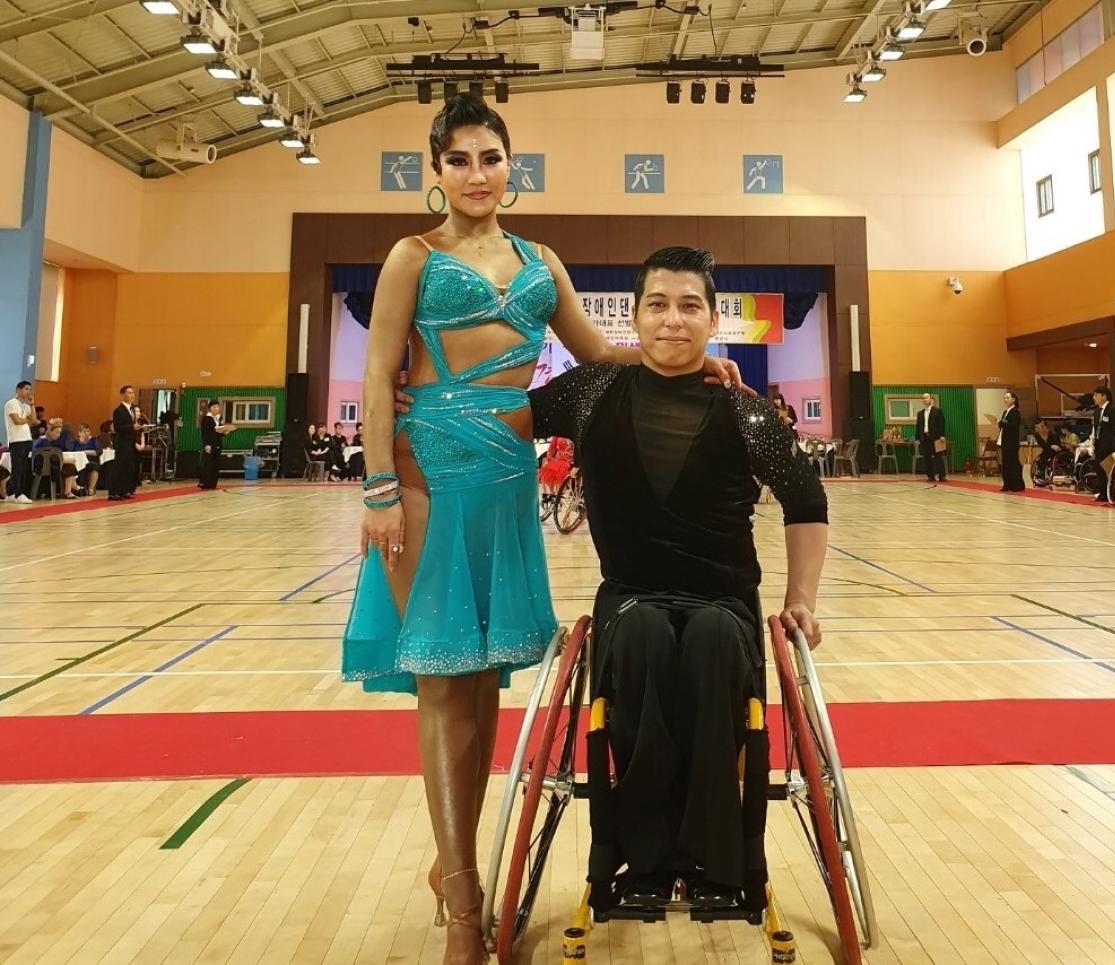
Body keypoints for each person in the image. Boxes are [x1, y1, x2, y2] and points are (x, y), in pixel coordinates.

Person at [343, 94, 741, 965]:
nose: (477, 175)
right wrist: (376, 486)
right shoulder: (412, 256)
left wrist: (684, 353)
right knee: (443, 683)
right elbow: (377, 376)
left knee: (484, 683)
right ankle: (464, 907)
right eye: (459, 160)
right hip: (422, 478)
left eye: (491, 158)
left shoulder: (540, 260)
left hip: (507, 478)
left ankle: (456, 867)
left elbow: (599, 360)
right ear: (435, 170)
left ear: (510, 168)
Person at [523, 246, 828, 907]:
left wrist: (799, 599)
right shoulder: (592, 391)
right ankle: (647, 862)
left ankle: (721, 862)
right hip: (631, 598)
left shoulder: (745, 412)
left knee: (717, 638)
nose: (673, 320)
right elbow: (510, 419)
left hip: (724, 601)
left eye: (690, 306)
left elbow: (807, 500)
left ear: (712, 318)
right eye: (657, 305)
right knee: (641, 640)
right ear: (634, 318)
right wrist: (426, 401)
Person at [4, 380, 37, 504]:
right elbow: (16, 421)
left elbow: (34, 420)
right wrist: (27, 420)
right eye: (26, 389)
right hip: (16, 440)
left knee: (23, 468)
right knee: (17, 468)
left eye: (29, 389)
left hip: (26, 439)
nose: (28, 391)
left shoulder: (26, 405)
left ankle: (11, 493)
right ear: (18, 389)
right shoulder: (11, 404)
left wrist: (32, 405)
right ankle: (18, 493)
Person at [32, 424, 83, 498]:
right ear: (49, 431)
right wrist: (70, 460)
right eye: (56, 432)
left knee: (70, 464)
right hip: (42, 467)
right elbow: (54, 459)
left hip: (45, 465)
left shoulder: (44, 440)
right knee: (70, 465)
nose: (58, 435)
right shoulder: (44, 442)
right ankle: (70, 489)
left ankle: (71, 488)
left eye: (59, 433)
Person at [109, 384, 138, 501]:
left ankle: (124, 490)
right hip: (122, 443)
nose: (131, 395)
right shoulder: (118, 410)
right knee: (119, 467)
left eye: (132, 393)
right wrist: (132, 427)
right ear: (122, 395)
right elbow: (118, 427)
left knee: (128, 467)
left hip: (130, 442)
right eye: (129, 393)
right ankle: (113, 492)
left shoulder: (132, 410)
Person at [199, 400, 235, 490]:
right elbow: (204, 433)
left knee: (216, 464)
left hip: (218, 443)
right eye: (214, 407)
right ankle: (205, 483)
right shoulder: (206, 418)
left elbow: (219, 433)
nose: (216, 408)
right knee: (207, 464)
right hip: (209, 444)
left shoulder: (219, 418)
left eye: (217, 407)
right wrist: (206, 444)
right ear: (210, 408)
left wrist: (226, 431)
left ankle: (213, 484)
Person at [1092, 385, 1115, 501]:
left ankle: (1111, 493)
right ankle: (1102, 493)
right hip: (1098, 444)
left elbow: (1114, 429)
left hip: (1109, 445)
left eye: (1096, 395)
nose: (1094, 397)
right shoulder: (1097, 411)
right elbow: (1096, 428)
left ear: (1104, 396)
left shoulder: (1113, 410)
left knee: (1109, 470)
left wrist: (1113, 446)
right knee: (1099, 469)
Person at [915, 392, 947, 482]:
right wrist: (917, 438)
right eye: (923, 398)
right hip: (924, 438)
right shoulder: (920, 413)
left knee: (938, 457)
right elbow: (918, 426)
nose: (925, 400)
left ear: (931, 399)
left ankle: (942, 476)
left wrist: (942, 435)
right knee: (926, 457)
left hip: (936, 438)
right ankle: (930, 476)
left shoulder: (937, 411)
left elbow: (942, 423)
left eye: (927, 398)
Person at [996, 390, 1024, 492]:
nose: (1006, 400)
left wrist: (1002, 423)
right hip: (1004, 441)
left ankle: (1017, 485)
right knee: (1006, 464)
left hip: (1012, 443)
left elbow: (1013, 426)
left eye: (1008, 398)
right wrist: (999, 423)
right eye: (1005, 398)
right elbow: (1004, 426)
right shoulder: (1005, 412)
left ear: (1013, 399)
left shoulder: (1015, 412)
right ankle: (1007, 484)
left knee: (1013, 464)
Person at [70, 423, 102, 496]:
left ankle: (91, 488)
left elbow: (99, 451)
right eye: (84, 432)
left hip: (91, 460)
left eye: (88, 431)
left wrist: (86, 452)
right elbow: (72, 452)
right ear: (79, 433)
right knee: (78, 468)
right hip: (79, 462)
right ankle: (81, 489)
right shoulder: (75, 442)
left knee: (94, 466)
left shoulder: (94, 440)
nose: (86, 433)